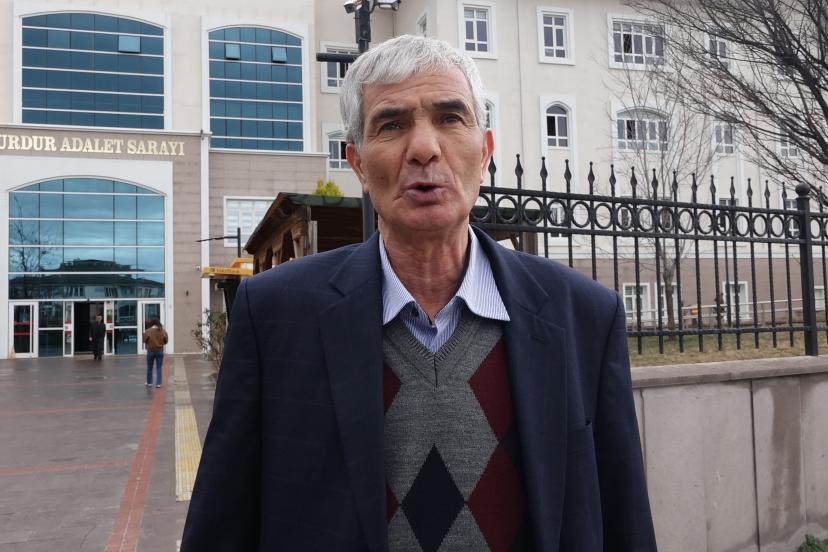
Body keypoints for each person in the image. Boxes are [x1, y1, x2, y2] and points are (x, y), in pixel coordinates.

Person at [182, 35, 656, 551]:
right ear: (358, 164)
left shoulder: (583, 316)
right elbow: (221, 527)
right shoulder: (274, 316)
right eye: (391, 125)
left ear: (485, 151)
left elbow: (623, 520)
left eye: (451, 118)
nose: (425, 148)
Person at [142, 319, 167, 388]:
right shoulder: (163, 331)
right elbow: (166, 340)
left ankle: (149, 382)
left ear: (151, 324)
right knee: (159, 368)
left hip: (151, 351)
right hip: (160, 351)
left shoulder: (148, 331)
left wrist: (149, 343)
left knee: (149, 367)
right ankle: (158, 383)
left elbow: (144, 340)